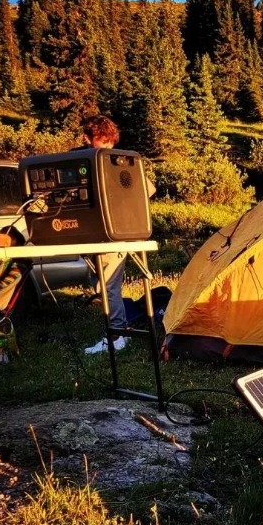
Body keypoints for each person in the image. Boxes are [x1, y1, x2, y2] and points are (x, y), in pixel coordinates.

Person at [78, 115, 154, 354]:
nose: (107, 147)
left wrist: (120, 209)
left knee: (108, 285)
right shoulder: (78, 158)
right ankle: (115, 331)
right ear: (87, 138)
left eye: (110, 141)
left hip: (115, 234)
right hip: (89, 233)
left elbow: (147, 190)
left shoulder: (120, 161)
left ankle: (118, 336)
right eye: (101, 141)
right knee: (99, 284)